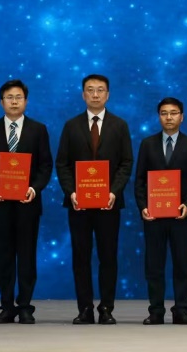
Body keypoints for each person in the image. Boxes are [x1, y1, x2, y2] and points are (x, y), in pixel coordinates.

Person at [54, 73, 133, 325]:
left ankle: (106, 308)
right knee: (81, 257)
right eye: (90, 90)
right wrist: (71, 192)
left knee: (108, 257)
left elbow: (126, 163)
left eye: (100, 90)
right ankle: (85, 309)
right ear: (83, 95)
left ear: (108, 95)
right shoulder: (71, 126)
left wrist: (113, 192)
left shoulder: (119, 125)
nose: (95, 94)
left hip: (109, 203)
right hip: (79, 204)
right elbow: (62, 164)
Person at [0, 78, 53, 324]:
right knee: (5, 256)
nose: (14, 101)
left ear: (26, 101)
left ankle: (26, 306)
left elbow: (46, 165)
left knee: (27, 256)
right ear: (1, 102)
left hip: (28, 203)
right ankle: (7, 306)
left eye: (19, 97)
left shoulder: (38, 129)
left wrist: (34, 189)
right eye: (10, 97)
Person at [133, 95, 187, 325]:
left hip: (181, 215)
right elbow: (139, 180)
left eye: (173, 113)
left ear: (182, 117)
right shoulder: (147, 144)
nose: (169, 117)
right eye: (164, 113)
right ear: (159, 117)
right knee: (154, 265)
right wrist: (143, 207)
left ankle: (181, 309)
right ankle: (156, 310)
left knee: (181, 264)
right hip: (153, 216)